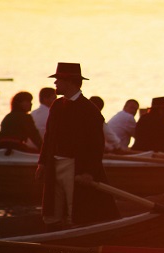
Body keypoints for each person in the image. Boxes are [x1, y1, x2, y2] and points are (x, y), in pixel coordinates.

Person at [36, 62, 119, 228]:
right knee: (54, 210)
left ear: (70, 82)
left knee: (75, 208)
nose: (55, 83)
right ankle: (53, 235)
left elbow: (96, 146)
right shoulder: (57, 105)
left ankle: (73, 233)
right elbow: (49, 136)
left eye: (58, 79)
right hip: (54, 163)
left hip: (75, 166)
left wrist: (88, 172)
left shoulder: (89, 110)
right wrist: (43, 162)